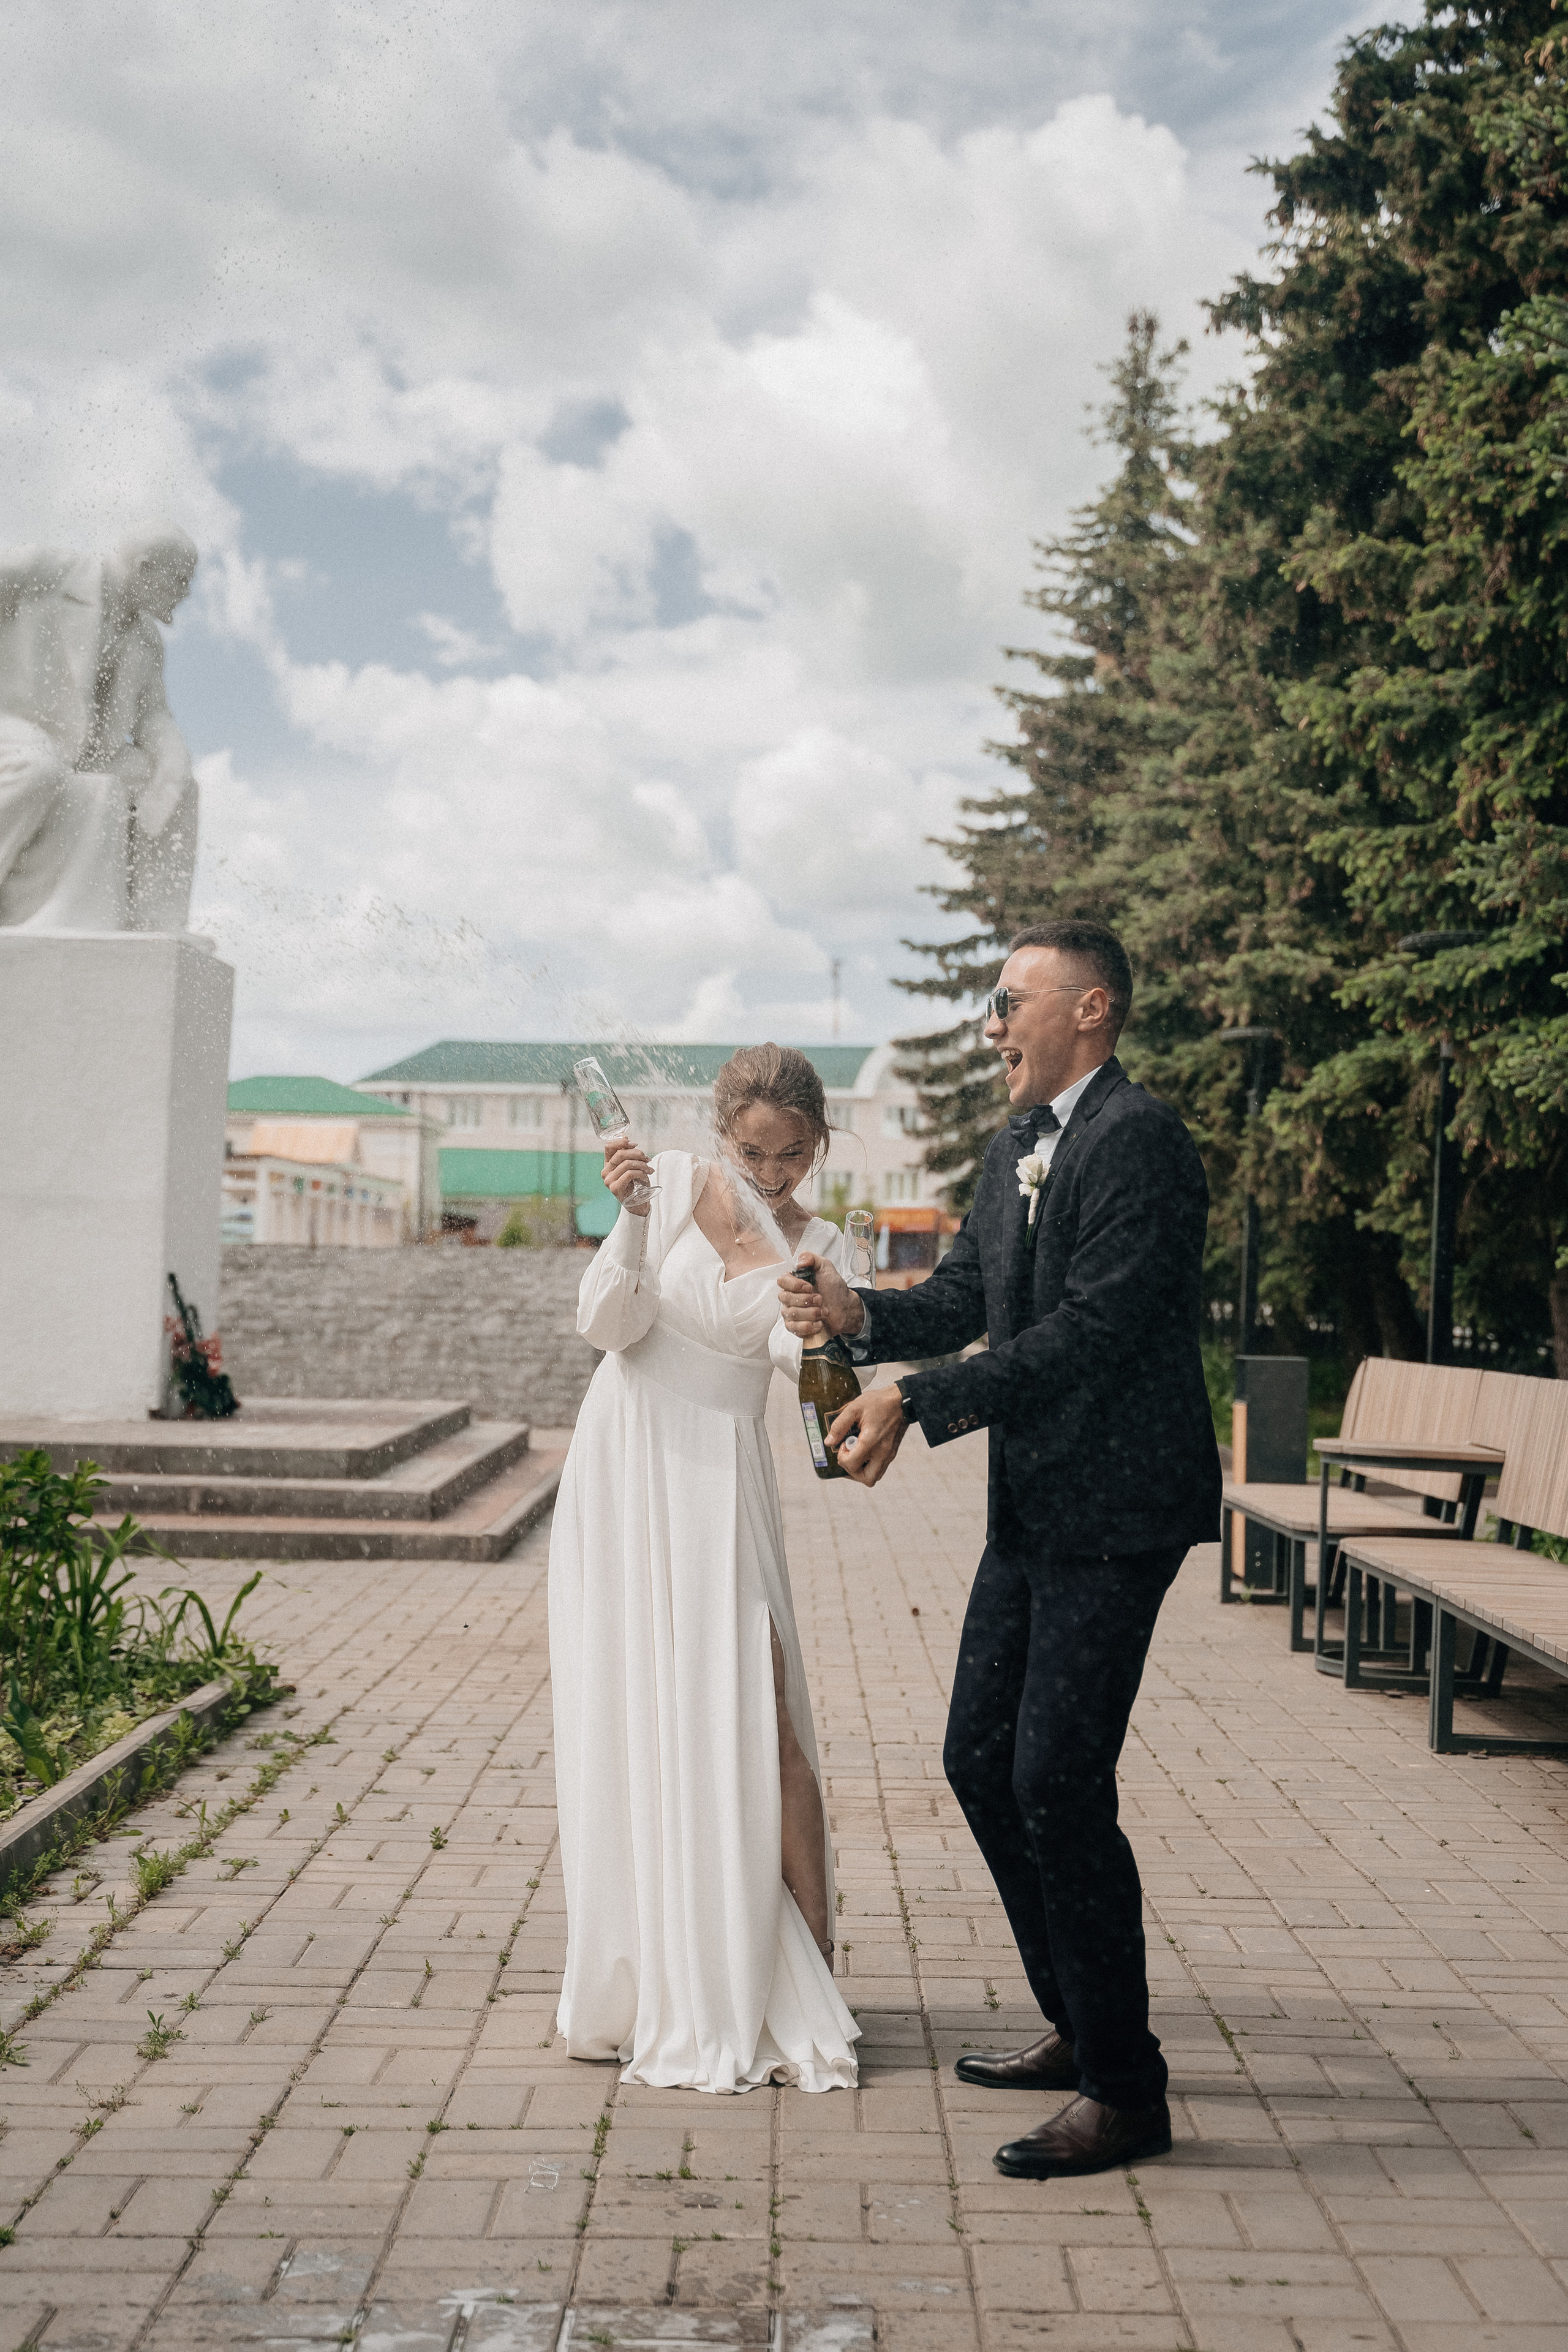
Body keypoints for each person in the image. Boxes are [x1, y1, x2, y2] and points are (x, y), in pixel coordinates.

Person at [779, 920, 1220, 2177]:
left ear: (1089, 1012)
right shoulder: (1016, 1143)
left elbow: (1089, 1331)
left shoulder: (1138, 1143)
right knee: (979, 1758)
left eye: (1006, 1000)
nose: (989, 1024)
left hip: (1119, 1511)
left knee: (1055, 1783)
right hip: (1033, 1507)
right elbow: (970, 1296)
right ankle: (1079, 2027)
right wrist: (864, 1316)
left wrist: (920, 1402)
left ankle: (1125, 2090)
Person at [548, 1043, 861, 2095]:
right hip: (624, 1464)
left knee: (761, 1713)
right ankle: (635, 1982)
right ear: (720, 1135)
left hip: (720, 1485)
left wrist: (823, 1345)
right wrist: (632, 1217)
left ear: (818, 1147)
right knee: (630, 1711)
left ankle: (808, 1956)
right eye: (753, 1152)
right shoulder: (669, 1184)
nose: (771, 1176)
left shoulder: (824, 1243)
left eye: (793, 1155)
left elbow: (806, 1377)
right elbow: (608, 1322)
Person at [0, 529, 199, 932]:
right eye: (180, 578)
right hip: (14, 725)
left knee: (174, 786)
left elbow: (153, 717)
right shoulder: (47, 570)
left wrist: (173, 766)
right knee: (38, 768)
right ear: (146, 568)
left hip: (80, 754)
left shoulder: (146, 639)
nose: (186, 592)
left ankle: (155, 928)